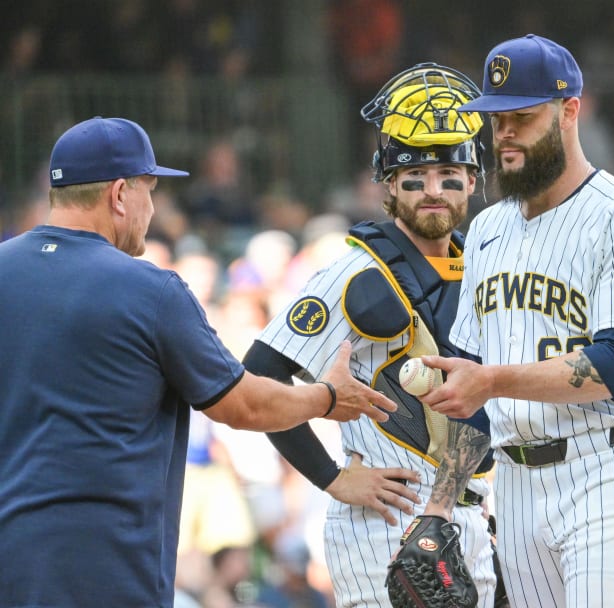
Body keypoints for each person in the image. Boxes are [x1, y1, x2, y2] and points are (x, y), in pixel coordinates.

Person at [0, 116, 396, 607]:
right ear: (120, 194)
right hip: (106, 566)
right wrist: (328, 396)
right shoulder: (149, 290)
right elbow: (243, 407)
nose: (154, 206)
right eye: (150, 189)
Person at [417, 34, 614, 607]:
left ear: (569, 111)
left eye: (522, 117)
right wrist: (440, 504)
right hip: (515, 482)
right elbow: (472, 384)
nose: (504, 133)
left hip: (610, 467)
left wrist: (492, 381)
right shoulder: (487, 230)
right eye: (495, 119)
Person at [242, 63, 501, 607]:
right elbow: (261, 369)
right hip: (388, 518)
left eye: (448, 176)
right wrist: (332, 478)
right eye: (415, 177)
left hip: (466, 510)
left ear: (472, 182)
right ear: (388, 183)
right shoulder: (357, 272)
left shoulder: (482, 269)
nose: (433, 191)